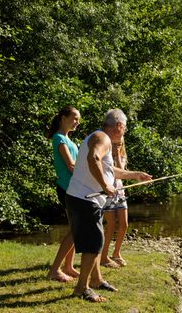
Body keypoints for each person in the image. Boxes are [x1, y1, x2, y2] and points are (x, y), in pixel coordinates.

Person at [66, 109, 152, 302]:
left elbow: (109, 169)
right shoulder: (102, 138)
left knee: (96, 240)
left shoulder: (99, 137)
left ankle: (96, 279)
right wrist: (105, 185)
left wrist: (136, 174)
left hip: (81, 198)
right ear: (119, 126)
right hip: (84, 199)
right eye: (125, 128)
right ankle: (82, 288)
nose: (125, 132)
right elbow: (93, 158)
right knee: (94, 243)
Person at [46, 106, 81, 282]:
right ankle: (55, 270)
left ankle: (68, 266)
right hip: (67, 189)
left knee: (74, 228)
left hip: (73, 188)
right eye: (74, 118)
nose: (77, 122)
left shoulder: (68, 139)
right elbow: (71, 165)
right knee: (76, 229)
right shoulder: (59, 138)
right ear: (62, 118)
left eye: (78, 119)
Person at [100, 137, 129, 268]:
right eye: (115, 143)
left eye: (120, 143)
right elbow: (113, 173)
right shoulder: (105, 156)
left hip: (120, 192)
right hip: (108, 193)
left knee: (124, 224)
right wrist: (114, 153)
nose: (118, 145)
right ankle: (103, 255)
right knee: (111, 224)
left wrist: (117, 153)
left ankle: (116, 253)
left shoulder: (122, 156)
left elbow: (121, 171)